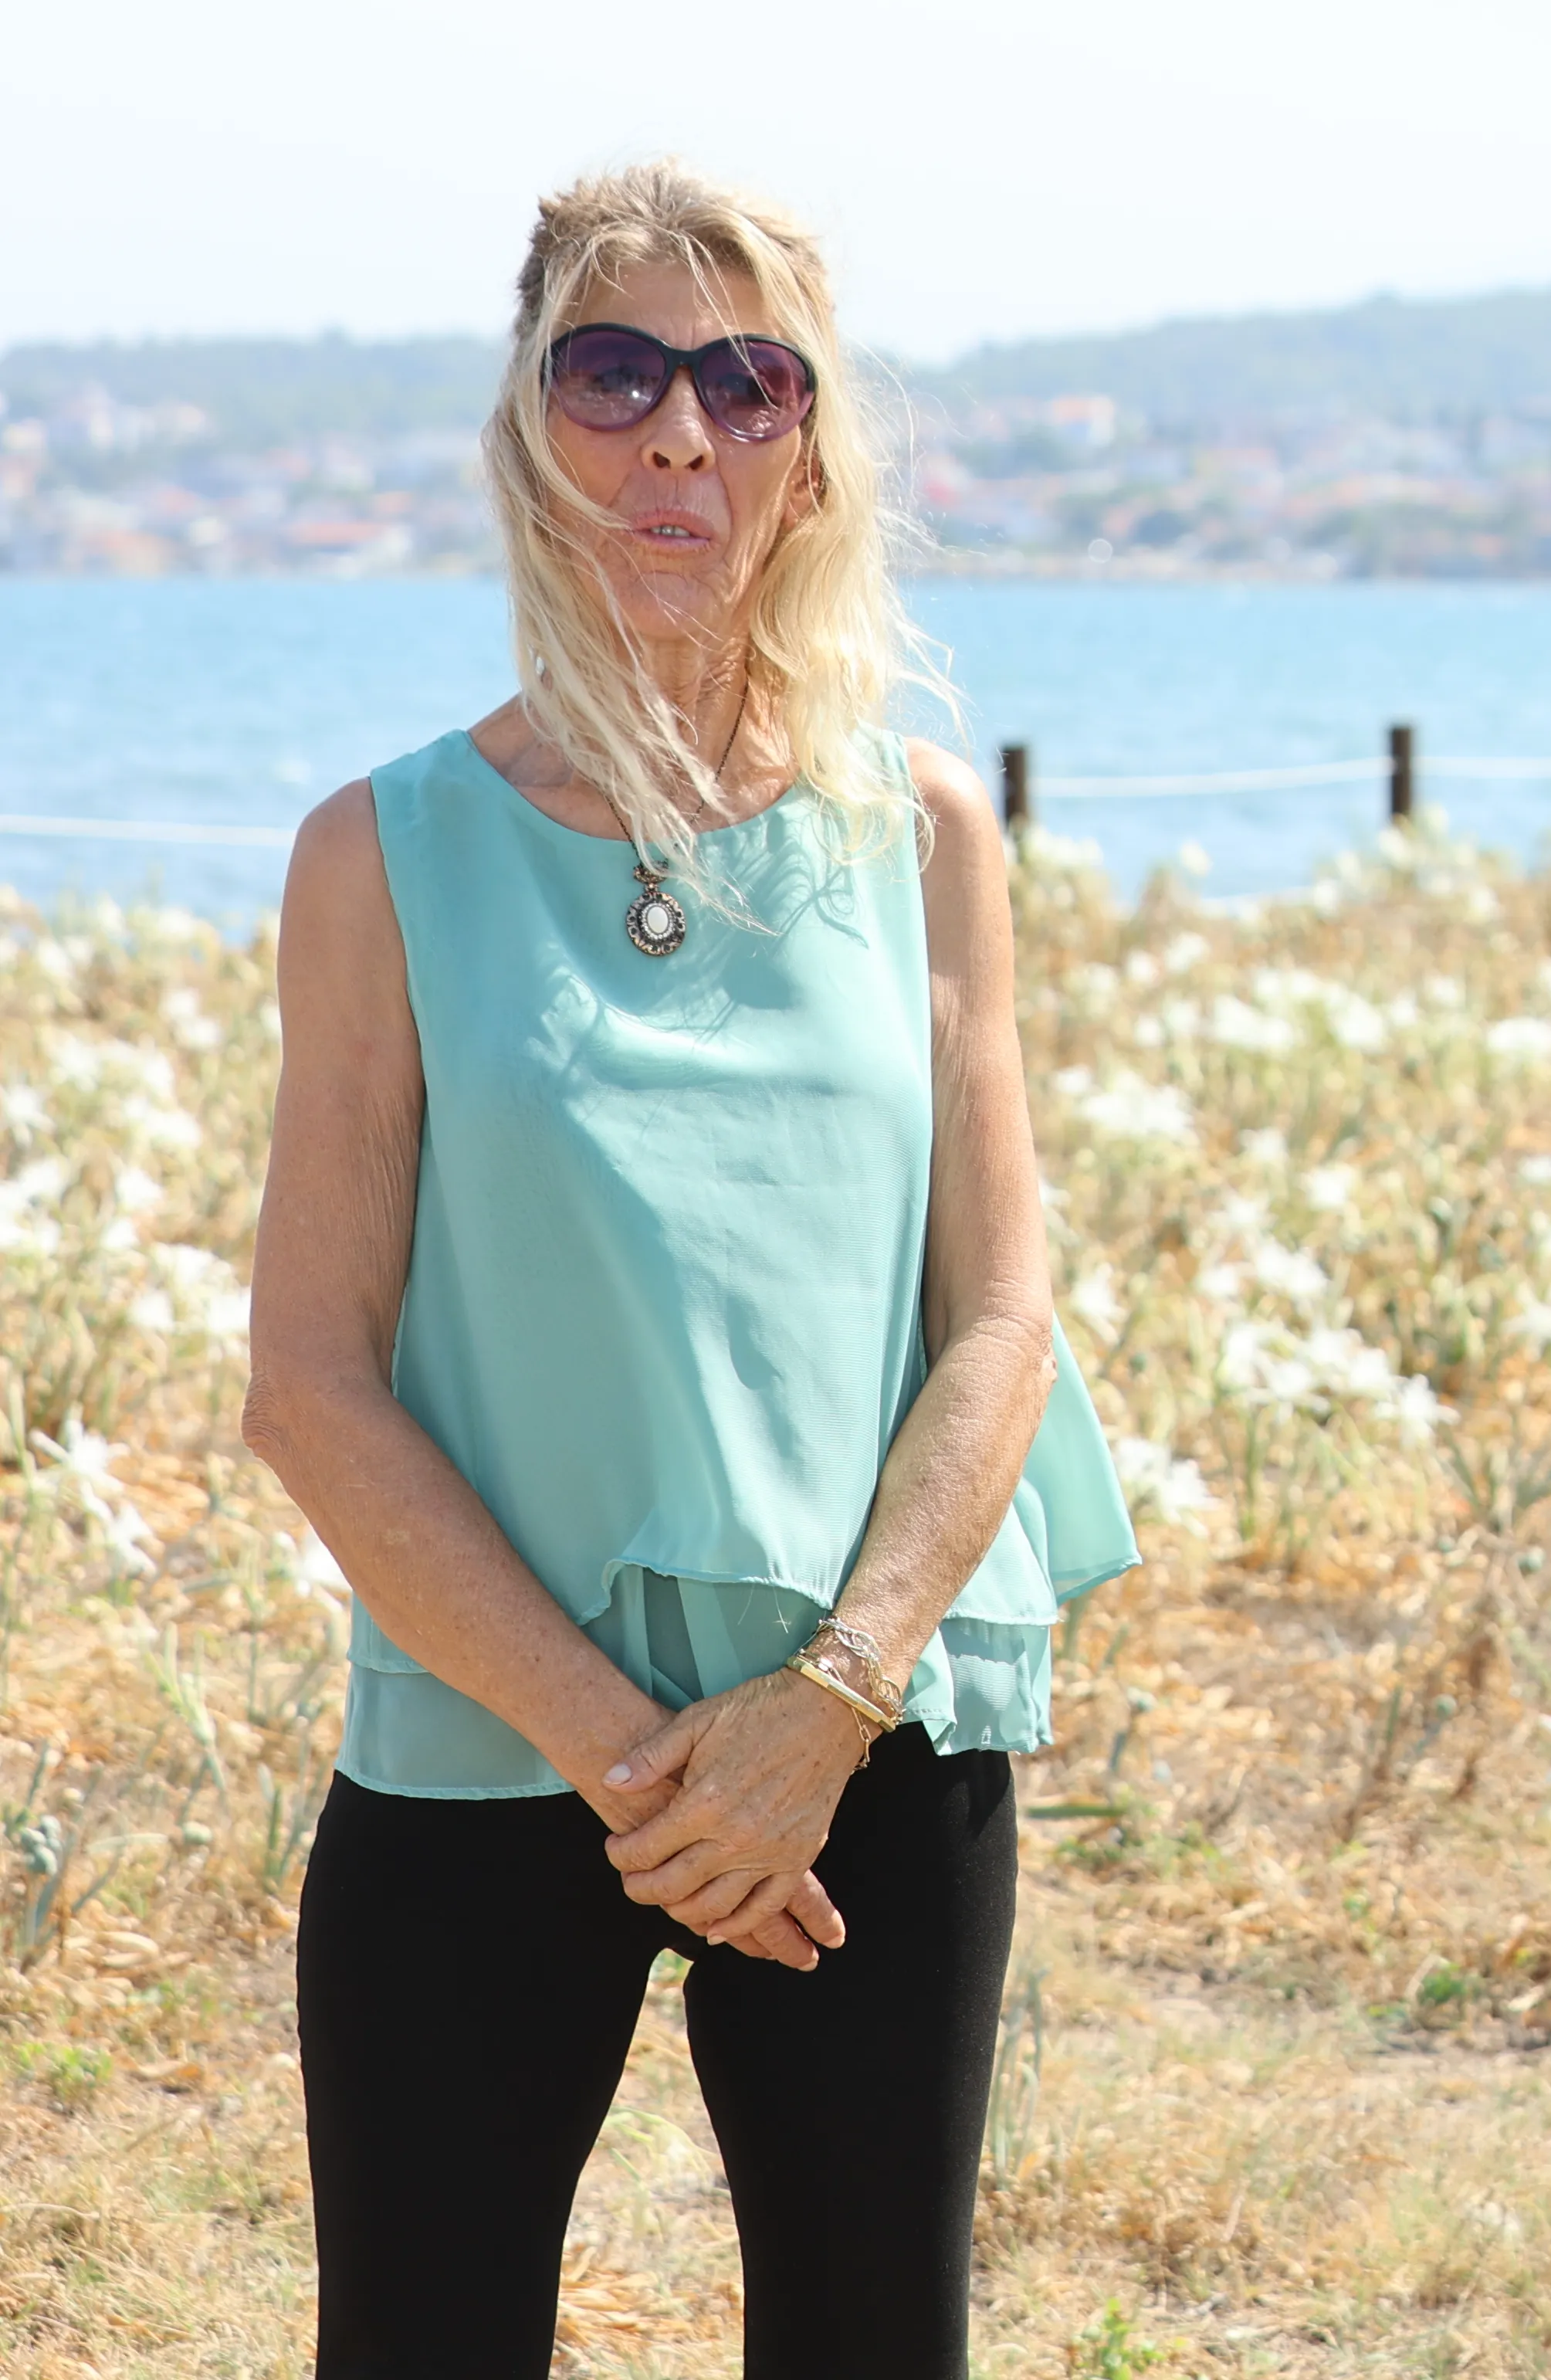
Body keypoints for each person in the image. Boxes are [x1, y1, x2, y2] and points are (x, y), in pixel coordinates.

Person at [246, 161, 1138, 2375]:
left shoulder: (921, 835)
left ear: (814, 449)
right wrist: (643, 1766)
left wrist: (820, 1710)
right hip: (491, 1743)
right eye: (615, 371)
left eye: (748, 383)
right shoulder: (380, 855)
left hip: (861, 1755)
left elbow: (1002, 1312)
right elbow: (310, 1383)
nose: (681, 436)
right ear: (530, 432)